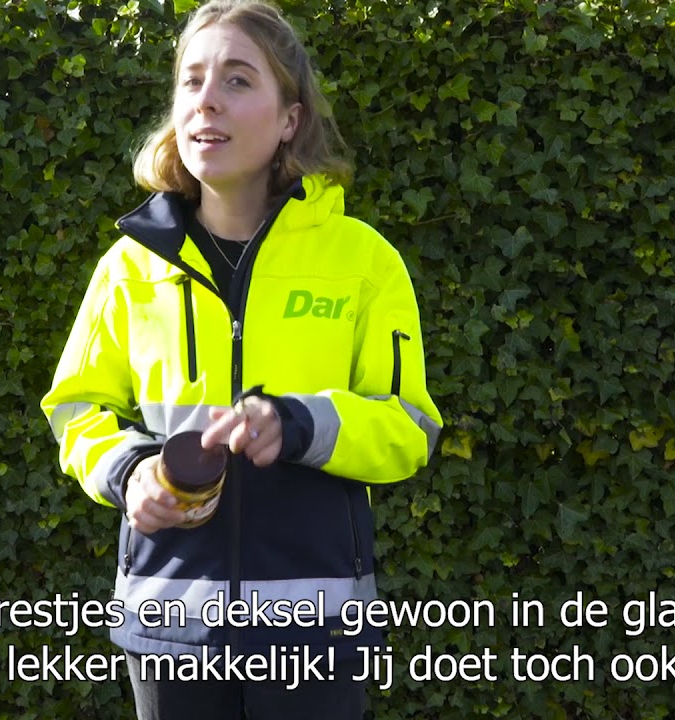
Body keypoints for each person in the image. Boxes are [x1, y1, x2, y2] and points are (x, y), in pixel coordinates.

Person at [40, 1, 442, 717]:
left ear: (290, 118)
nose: (207, 100)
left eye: (237, 79)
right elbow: (77, 410)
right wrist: (130, 472)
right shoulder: (127, 268)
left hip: (315, 629)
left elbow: (408, 426)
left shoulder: (365, 263)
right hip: (169, 626)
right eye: (191, 80)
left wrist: (299, 425)